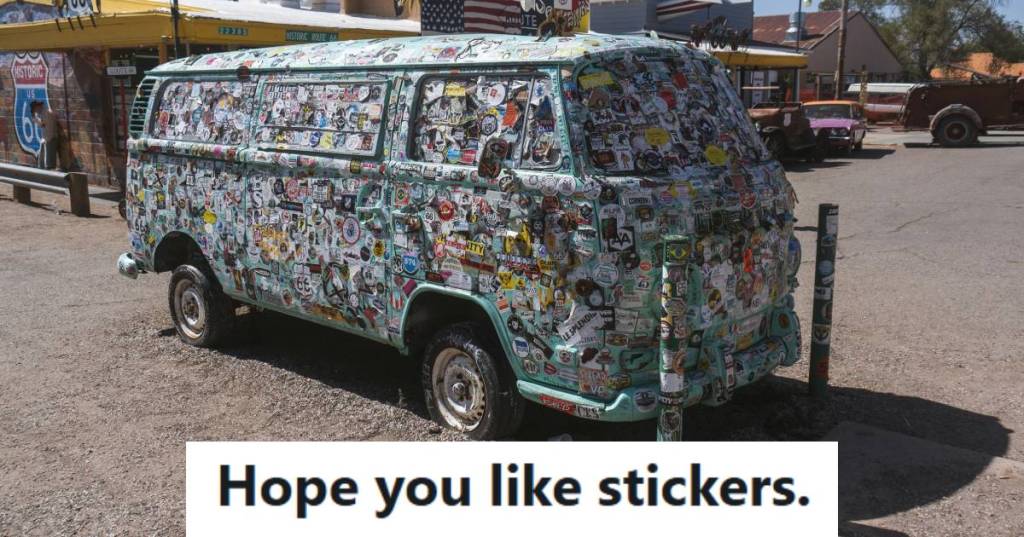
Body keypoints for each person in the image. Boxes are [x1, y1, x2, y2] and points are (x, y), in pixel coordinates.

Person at [30, 100, 64, 170]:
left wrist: (35, 118)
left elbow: (42, 124)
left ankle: (49, 175)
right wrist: (36, 118)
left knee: (49, 163)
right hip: (45, 138)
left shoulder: (46, 112)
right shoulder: (42, 112)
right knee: (42, 161)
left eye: (35, 109)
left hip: (50, 138)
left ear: (38, 106)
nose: (35, 111)